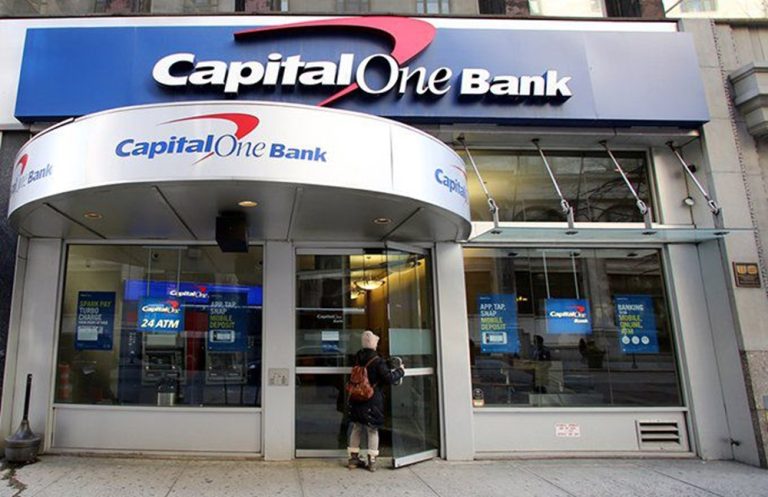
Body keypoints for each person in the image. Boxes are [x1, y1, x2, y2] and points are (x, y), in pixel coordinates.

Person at [347, 330, 404, 472]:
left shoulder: (356, 358)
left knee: (356, 428)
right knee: (372, 430)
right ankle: (372, 461)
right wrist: (400, 371)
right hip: (372, 400)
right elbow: (388, 378)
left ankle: (353, 459)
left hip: (356, 398)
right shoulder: (377, 361)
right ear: (373, 344)